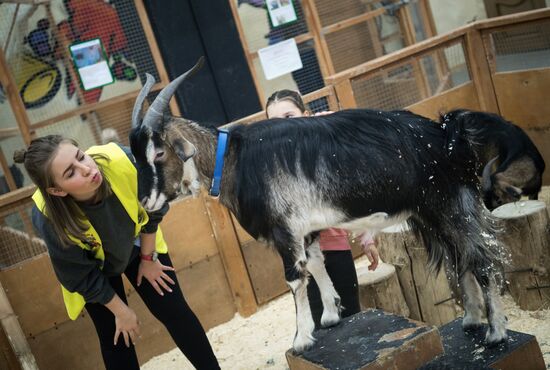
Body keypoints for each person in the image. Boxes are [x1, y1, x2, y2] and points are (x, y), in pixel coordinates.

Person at [14, 135, 219, 370]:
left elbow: (155, 204)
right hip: (94, 269)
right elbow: (78, 276)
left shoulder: (122, 161)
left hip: (137, 243)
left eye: (81, 157)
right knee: (117, 338)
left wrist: (148, 258)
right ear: (57, 190)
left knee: (174, 309)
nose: (86, 169)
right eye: (71, 173)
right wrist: (121, 311)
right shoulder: (48, 217)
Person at [265, 89, 380, 329]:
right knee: (321, 330)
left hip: (336, 251)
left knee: (352, 321)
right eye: (274, 121)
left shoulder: (324, 150)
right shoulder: (274, 163)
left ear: (305, 114)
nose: (283, 126)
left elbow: (353, 195)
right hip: (302, 261)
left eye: (289, 116)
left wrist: (367, 238)